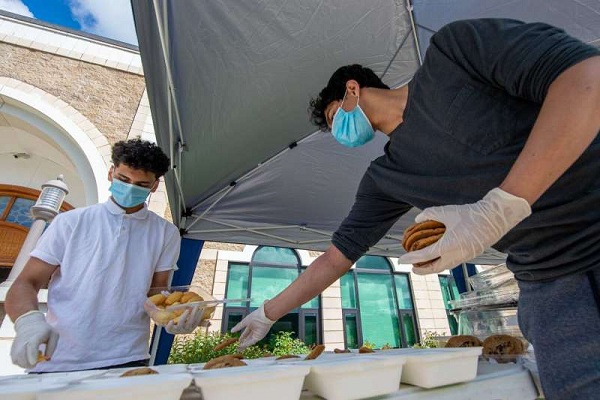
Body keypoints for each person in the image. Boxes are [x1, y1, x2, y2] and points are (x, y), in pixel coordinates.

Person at [231, 19, 600, 399]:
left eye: (334, 117)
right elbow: (335, 259)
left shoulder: (453, 54)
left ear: (352, 91)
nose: (340, 133)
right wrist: (268, 313)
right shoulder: (386, 178)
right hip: (550, 282)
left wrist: (501, 207)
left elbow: (587, 76)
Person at [5, 139, 200, 373]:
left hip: (127, 356)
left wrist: (173, 316)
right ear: (111, 173)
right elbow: (27, 282)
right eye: (123, 179)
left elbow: (157, 292)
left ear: (155, 186)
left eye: (141, 185)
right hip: (58, 356)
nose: (130, 189)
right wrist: (28, 321)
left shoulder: (165, 232)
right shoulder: (71, 222)